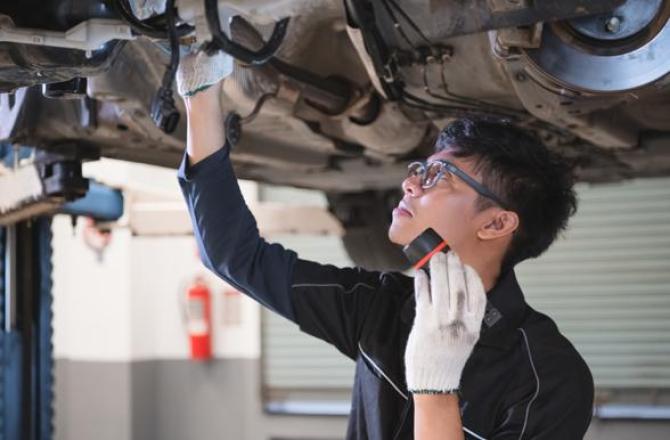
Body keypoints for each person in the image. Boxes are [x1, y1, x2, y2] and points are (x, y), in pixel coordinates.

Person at [175, 47, 594, 439]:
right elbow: (236, 255)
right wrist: (201, 98)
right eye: (419, 169)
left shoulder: (551, 377)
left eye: (437, 177)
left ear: (497, 222)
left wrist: (435, 389)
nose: (409, 183)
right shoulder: (382, 308)